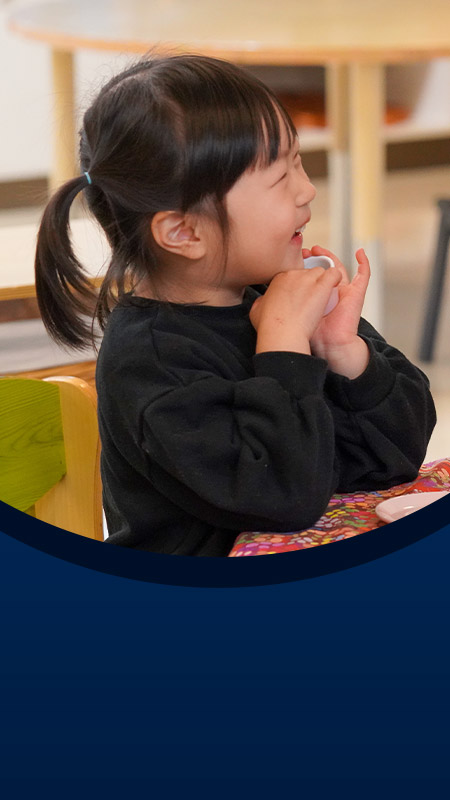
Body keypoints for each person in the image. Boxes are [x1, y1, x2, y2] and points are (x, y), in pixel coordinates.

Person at [34, 54, 436, 557]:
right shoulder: (150, 361)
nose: (308, 190)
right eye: (279, 177)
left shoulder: (276, 292)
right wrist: (284, 346)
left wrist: (344, 351)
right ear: (184, 232)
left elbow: (398, 459)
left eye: (299, 161)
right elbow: (283, 498)